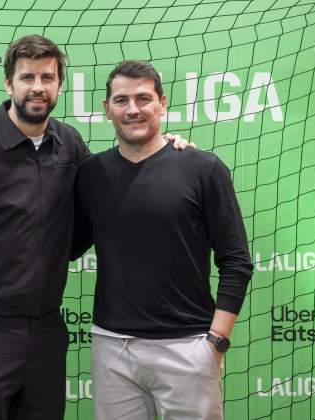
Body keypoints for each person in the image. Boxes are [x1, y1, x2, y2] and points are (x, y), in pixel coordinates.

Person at [0, 35, 189, 420]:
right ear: (9, 84)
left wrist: (167, 153)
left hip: (47, 332)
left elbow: (112, 185)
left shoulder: (69, 143)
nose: (38, 87)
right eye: (27, 77)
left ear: (60, 84)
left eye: (48, 77)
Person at [72, 60, 253, 420]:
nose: (133, 109)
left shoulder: (203, 168)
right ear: (106, 109)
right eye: (121, 100)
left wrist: (215, 341)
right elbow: (66, 246)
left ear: (162, 103)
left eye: (143, 98)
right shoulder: (91, 174)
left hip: (188, 346)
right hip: (112, 348)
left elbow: (236, 260)